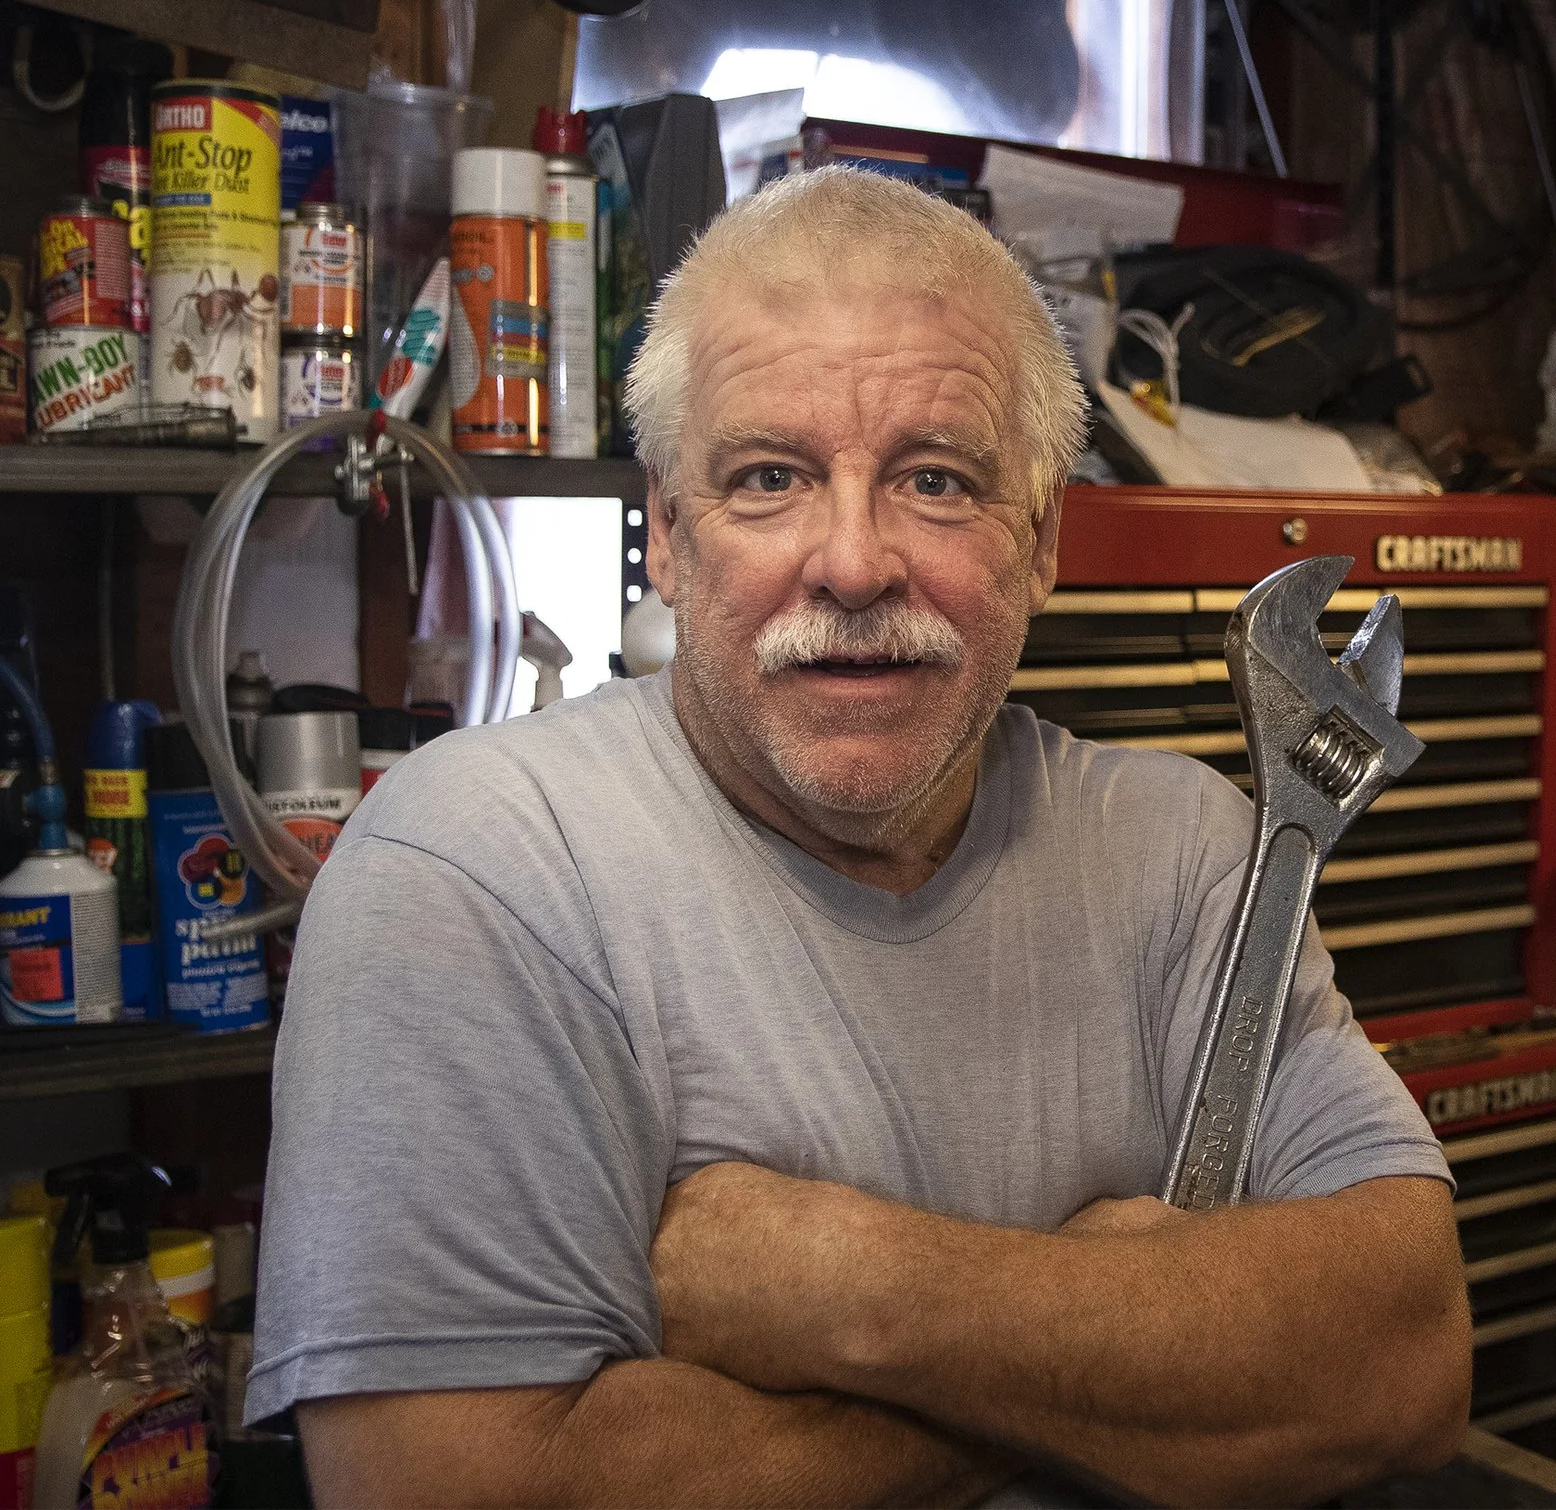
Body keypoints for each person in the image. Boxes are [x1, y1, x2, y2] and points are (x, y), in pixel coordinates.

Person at [246, 166, 1473, 1507]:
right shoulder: (475, 876)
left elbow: (1402, 1360)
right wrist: (1120, 1352)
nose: (851, 562)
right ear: (669, 534)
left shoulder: (1184, 855)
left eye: (936, 481)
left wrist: (846, 1289)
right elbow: (453, 1489)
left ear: (1042, 537)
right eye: (769, 478)